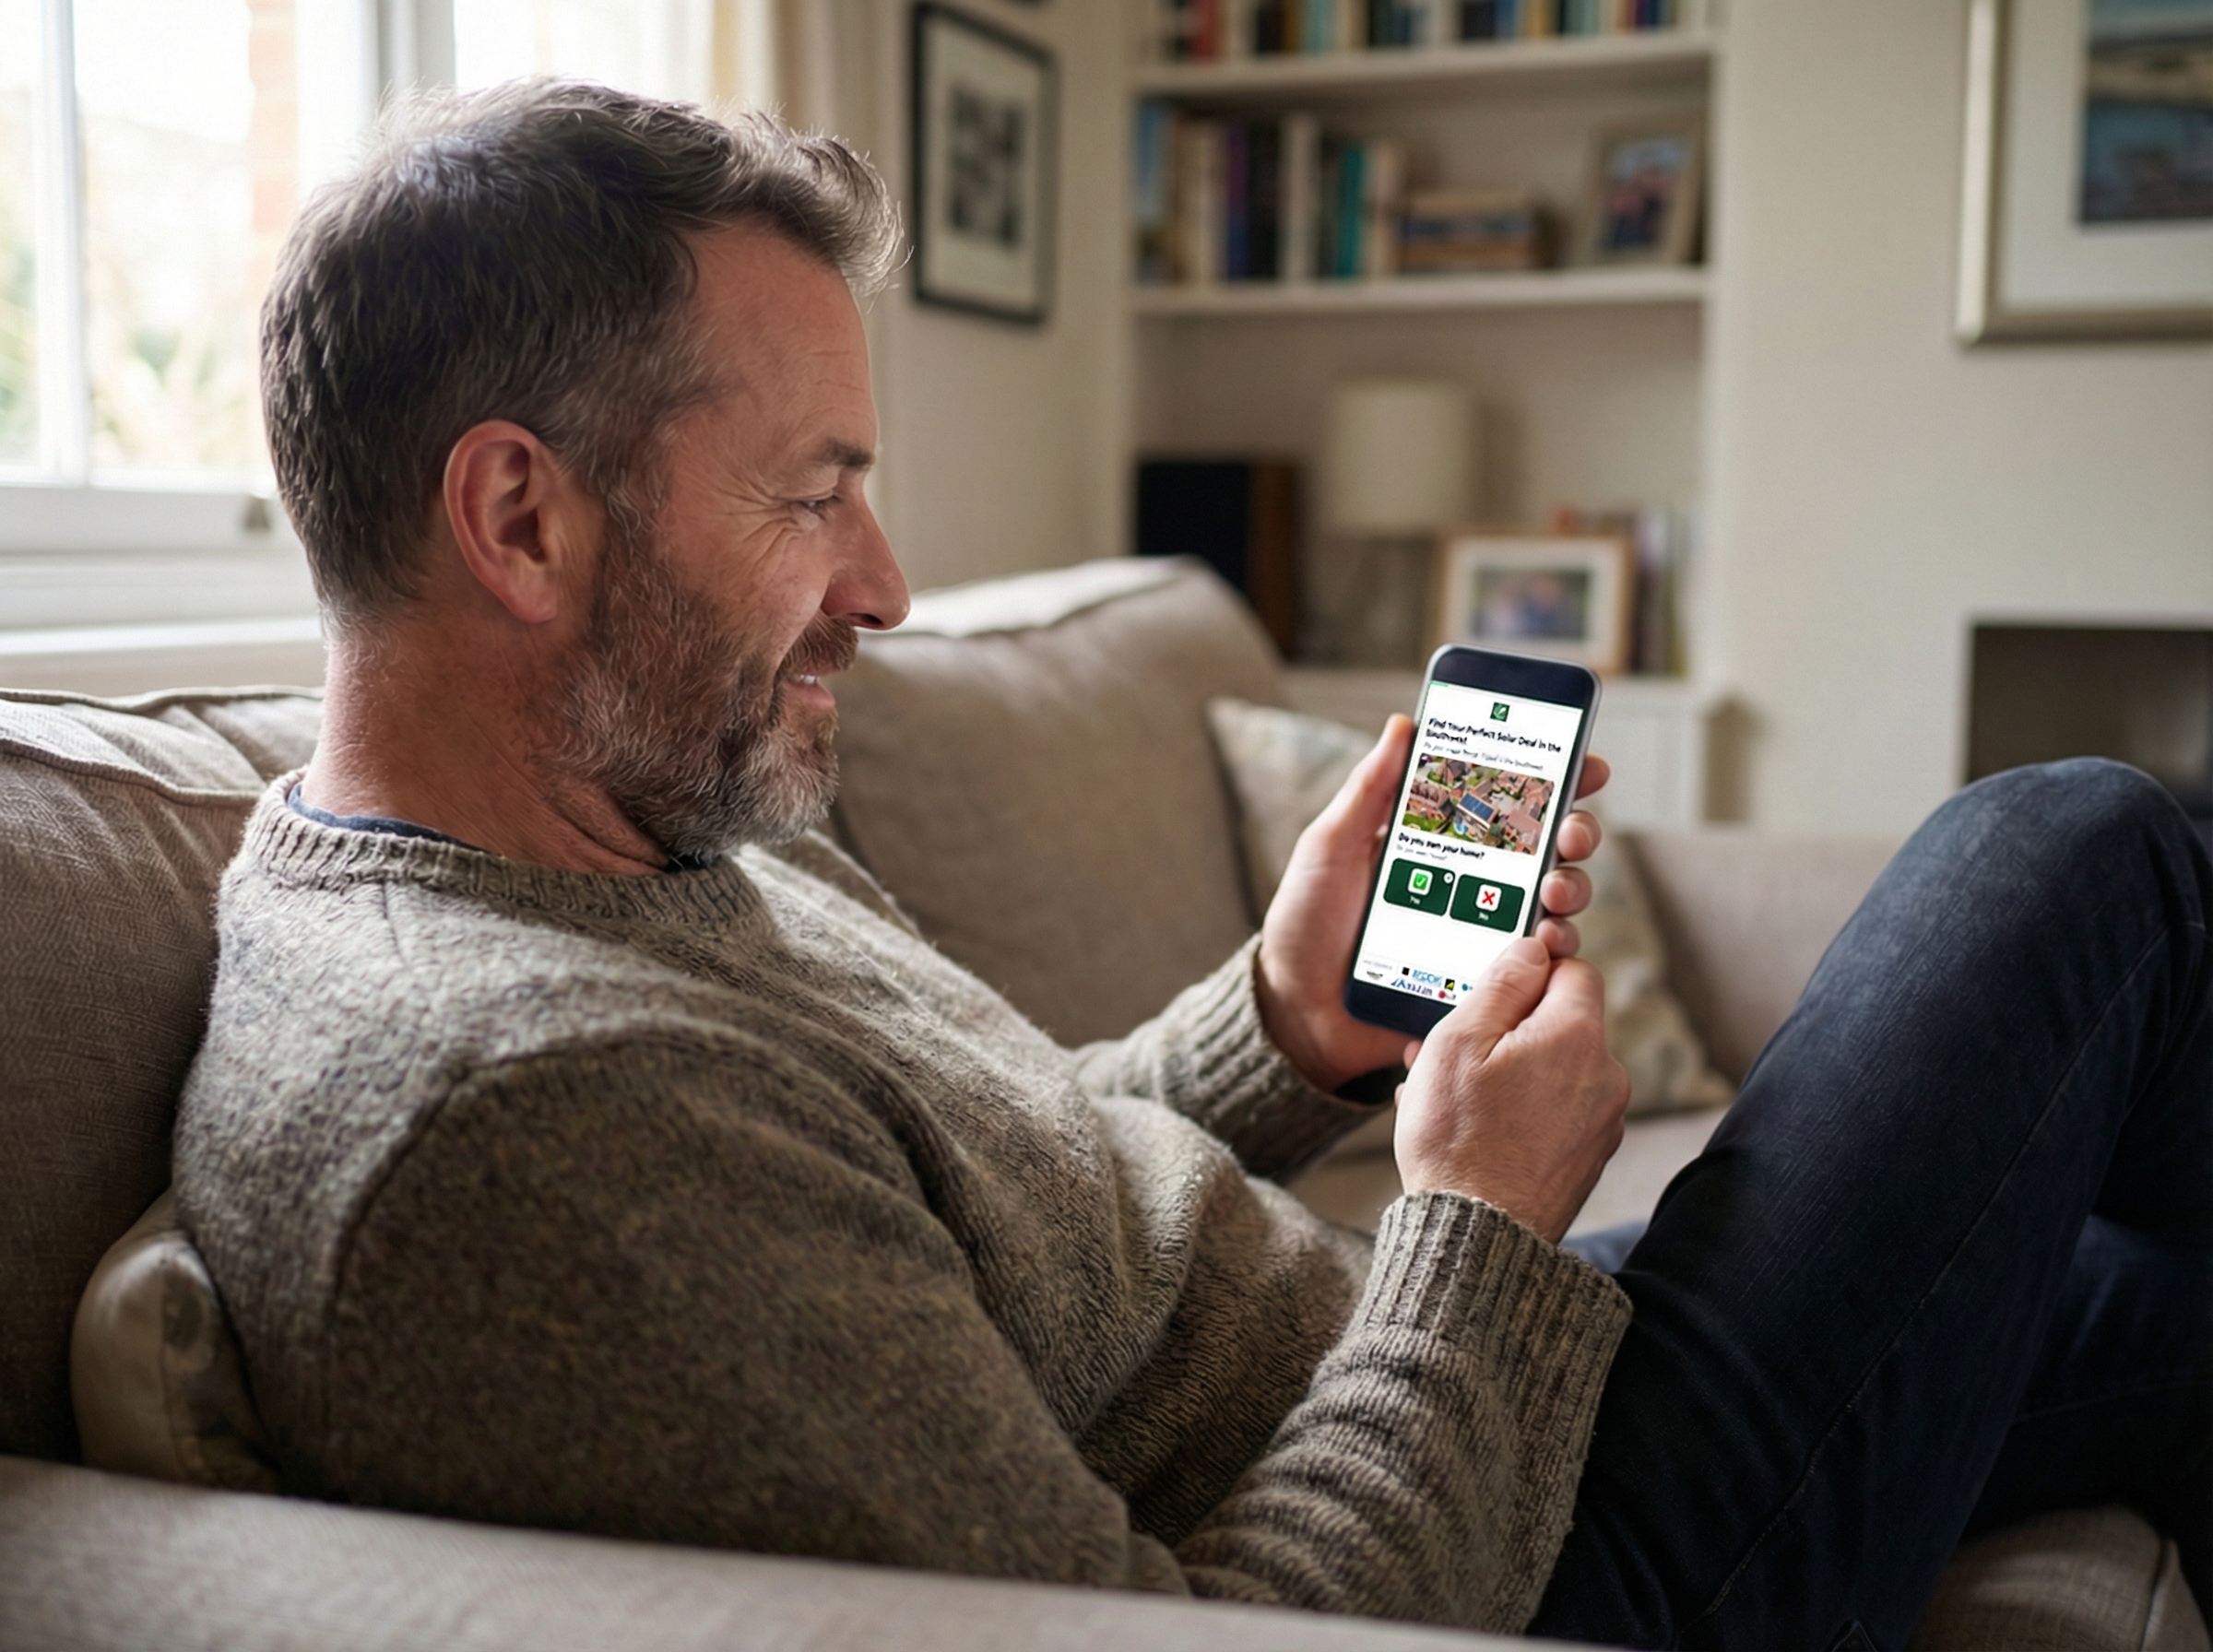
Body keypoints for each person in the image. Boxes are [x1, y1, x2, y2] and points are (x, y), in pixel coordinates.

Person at [176, 82, 2210, 1651]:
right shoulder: (530, 1124)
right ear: (519, 521)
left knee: (2169, 1303)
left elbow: (986, 1201)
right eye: (814, 495)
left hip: (1410, 1387)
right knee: (2072, 857)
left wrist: (1283, 1020)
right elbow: (1185, 1635)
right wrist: (1475, 1224)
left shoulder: (620, 826)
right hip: (1525, 1566)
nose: (885, 586)